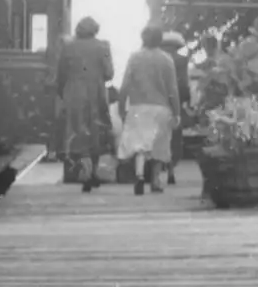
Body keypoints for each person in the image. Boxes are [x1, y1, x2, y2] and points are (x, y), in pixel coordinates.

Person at [117, 24, 182, 196]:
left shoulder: (134, 58)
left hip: (138, 107)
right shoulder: (166, 59)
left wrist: (121, 107)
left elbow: (124, 86)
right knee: (159, 146)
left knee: (140, 144)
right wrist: (176, 112)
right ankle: (155, 181)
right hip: (161, 108)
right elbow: (172, 89)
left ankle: (139, 176)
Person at [56, 17, 113, 192]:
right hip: (96, 93)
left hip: (74, 93)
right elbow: (109, 73)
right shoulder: (103, 46)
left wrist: (63, 94)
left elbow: (61, 73)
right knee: (96, 130)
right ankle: (93, 171)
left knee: (78, 131)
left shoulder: (68, 47)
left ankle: (85, 169)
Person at [161, 30, 191, 184]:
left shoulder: (158, 59)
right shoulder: (182, 60)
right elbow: (184, 83)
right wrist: (187, 100)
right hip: (175, 103)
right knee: (175, 138)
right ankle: (171, 169)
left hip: (158, 102)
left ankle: (158, 171)